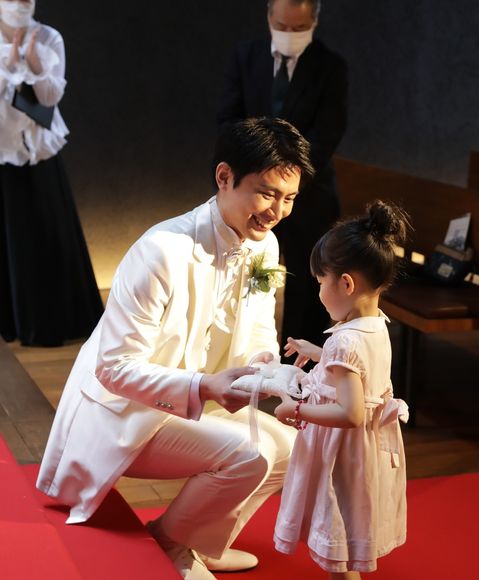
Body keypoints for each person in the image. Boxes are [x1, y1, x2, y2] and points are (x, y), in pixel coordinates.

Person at [36, 117, 315, 580]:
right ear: (224, 176)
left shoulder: (265, 246)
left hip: (202, 397)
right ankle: (169, 542)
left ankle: (200, 541)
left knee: (291, 447)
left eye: (289, 198)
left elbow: (259, 330)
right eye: (267, 194)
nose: (277, 211)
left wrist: (269, 372)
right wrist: (204, 386)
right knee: (251, 454)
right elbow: (113, 368)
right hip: (128, 411)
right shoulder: (162, 250)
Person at [273, 200, 410, 579]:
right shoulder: (377, 325)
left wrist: (295, 410)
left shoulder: (345, 341)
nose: (319, 292)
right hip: (368, 448)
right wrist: (319, 353)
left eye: (321, 283)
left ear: (346, 283)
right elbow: (360, 375)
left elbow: (350, 413)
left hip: (343, 453)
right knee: (350, 524)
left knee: (339, 526)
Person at [217, 0, 348, 350]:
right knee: (244, 272)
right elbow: (228, 120)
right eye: (282, 27)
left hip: (310, 190)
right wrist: (257, 173)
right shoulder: (246, 57)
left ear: (314, 22)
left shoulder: (330, 66)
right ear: (269, 17)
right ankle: (240, 352)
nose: (289, 34)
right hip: (251, 187)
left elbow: (328, 132)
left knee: (308, 283)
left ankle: (300, 364)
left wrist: (286, 180)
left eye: (298, 29)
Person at [0, 0, 103, 346]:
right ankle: (12, 321)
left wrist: (33, 66)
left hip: (40, 151)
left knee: (49, 233)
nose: (20, 4)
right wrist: (9, 68)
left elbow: (50, 97)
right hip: (3, 152)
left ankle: (59, 321)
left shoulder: (48, 37)